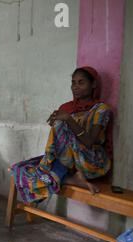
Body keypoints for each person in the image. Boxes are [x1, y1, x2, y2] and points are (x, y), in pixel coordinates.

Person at [10, 66, 113, 204]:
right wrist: (60, 119)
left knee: (60, 123)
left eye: (81, 82)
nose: (75, 87)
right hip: (70, 163)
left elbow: (89, 142)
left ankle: (49, 172)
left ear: (93, 84)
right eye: (73, 82)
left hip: (92, 162)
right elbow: (58, 141)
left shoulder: (101, 110)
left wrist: (67, 119)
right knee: (20, 167)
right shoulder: (68, 107)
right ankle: (69, 178)